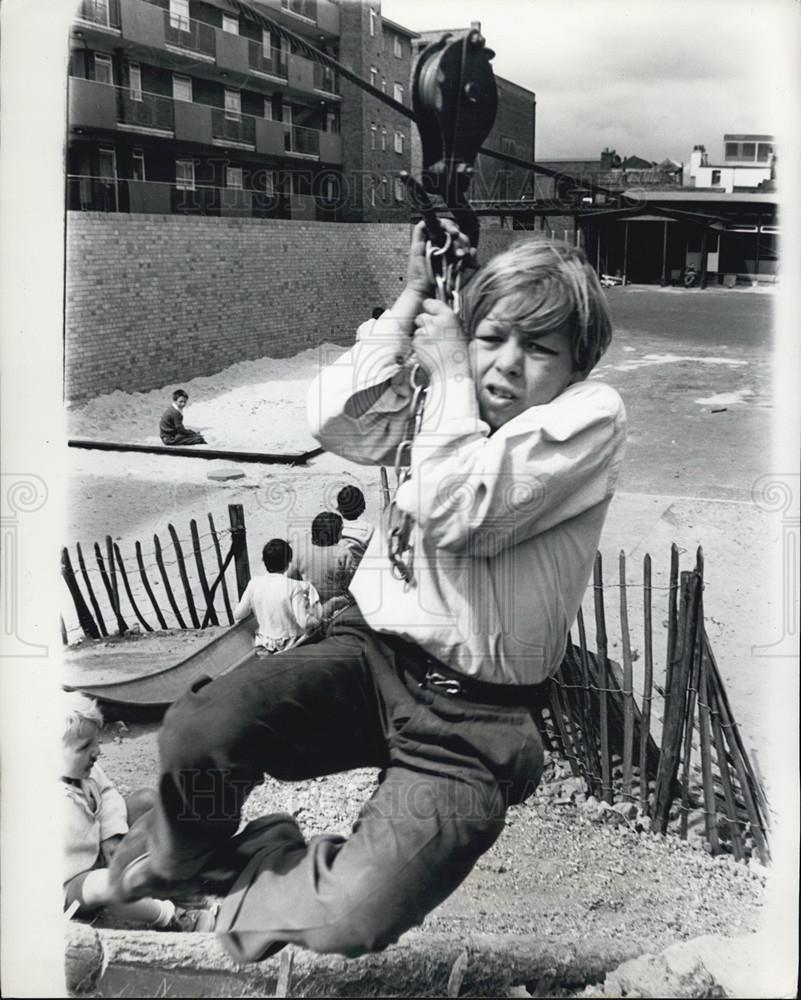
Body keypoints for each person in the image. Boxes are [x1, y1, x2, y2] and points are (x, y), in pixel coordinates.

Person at [109, 222, 626, 964]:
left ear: (575, 366)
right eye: (492, 338)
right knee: (201, 729)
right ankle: (178, 863)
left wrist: (449, 372)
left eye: (538, 349)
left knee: (351, 919)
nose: (506, 365)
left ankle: (238, 892)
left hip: (476, 720)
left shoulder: (586, 418)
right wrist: (412, 297)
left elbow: (459, 514)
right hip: (368, 658)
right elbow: (331, 419)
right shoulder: (446, 402)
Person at [62, 692, 214, 931]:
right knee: (107, 884)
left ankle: (178, 884)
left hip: (98, 852)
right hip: (73, 883)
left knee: (148, 801)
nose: (97, 752)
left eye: (96, 741)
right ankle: (173, 917)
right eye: (84, 747)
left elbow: (108, 792)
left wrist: (111, 833)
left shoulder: (86, 772)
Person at [233, 538, 322, 655]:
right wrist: (317, 620)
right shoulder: (294, 586)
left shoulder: (254, 583)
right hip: (289, 643)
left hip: (264, 642)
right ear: (288, 562)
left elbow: (238, 614)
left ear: (264, 561)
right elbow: (303, 622)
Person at [288, 511, 357, 611]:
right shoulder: (343, 554)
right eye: (340, 531)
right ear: (336, 533)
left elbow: (291, 579)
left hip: (310, 605)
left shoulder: (299, 550)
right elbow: (351, 585)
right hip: (336, 607)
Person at [335, 484, 374, 560]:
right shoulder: (369, 528)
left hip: (341, 564)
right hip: (361, 567)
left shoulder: (336, 527)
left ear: (340, 509)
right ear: (362, 506)